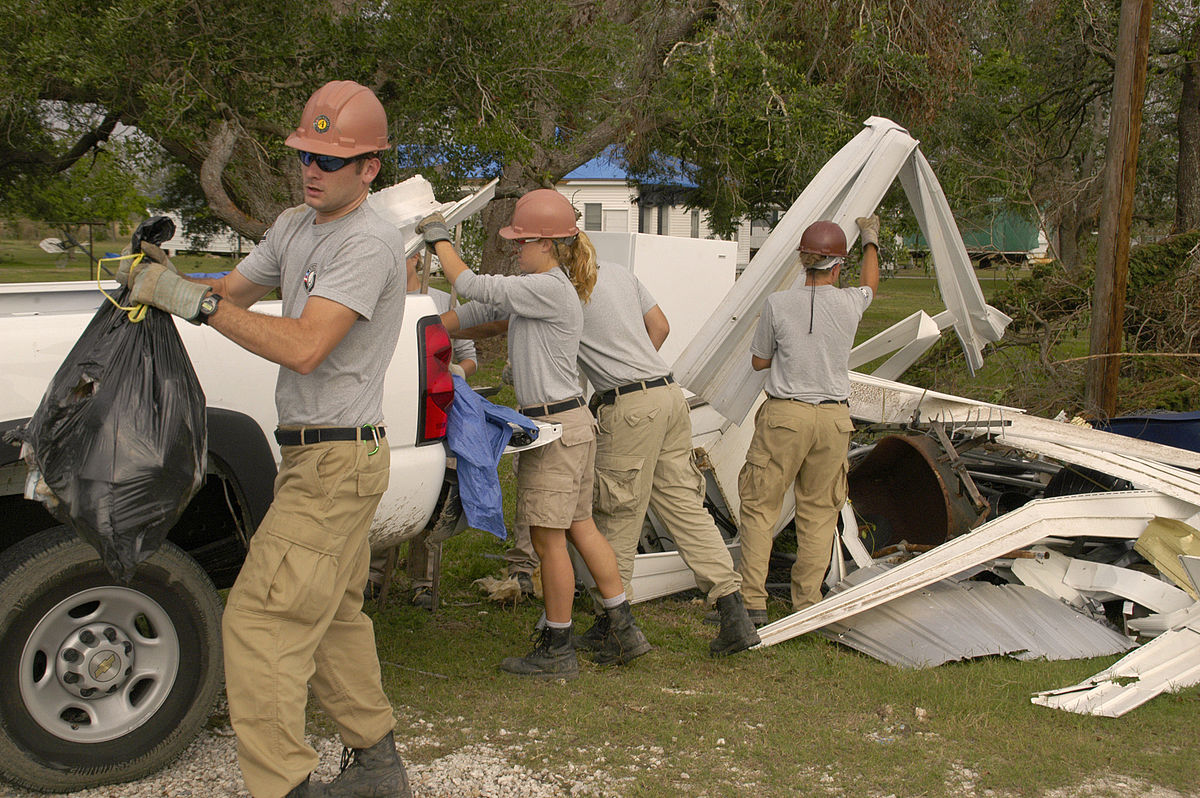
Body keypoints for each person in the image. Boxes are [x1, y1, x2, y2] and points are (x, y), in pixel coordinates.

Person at [120, 80, 411, 798]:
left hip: (339, 458)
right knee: (335, 616)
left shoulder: (370, 242)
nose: (312, 170)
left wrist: (195, 302)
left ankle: (284, 787)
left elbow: (307, 345)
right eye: (305, 154)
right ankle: (376, 767)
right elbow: (234, 294)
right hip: (315, 454)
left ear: (369, 168)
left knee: (258, 621)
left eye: (330, 160)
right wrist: (166, 279)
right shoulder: (293, 225)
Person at [418, 189, 651, 679]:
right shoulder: (546, 285)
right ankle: (625, 630)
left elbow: (473, 285)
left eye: (520, 242)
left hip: (553, 430)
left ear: (546, 243)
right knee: (580, 528)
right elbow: (484, 313)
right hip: (572, 424)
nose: (515, 250)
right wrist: (425, 325)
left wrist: (439, 238)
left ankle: (557, 647)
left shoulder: (546, 287)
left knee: (549, 541)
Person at [575, 261, 761, 656]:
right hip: (668, 392)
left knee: (618, 512)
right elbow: (660, 327)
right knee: (686, 508)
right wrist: (638, 366)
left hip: (629, 405)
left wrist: (623, 376)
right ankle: (734, 614)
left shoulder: (560, 282)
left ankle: (613, 625)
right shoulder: (617, 272)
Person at [736, 216, 880, 624]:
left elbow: (760, 361)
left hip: (786, 417)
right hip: (834, 421)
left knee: (761, 507)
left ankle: (752, 602)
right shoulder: (852, 301)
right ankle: (806, 604)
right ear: (837, 266)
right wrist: (871, 239)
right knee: (818, 512)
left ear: (803, 261)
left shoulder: (778, 304)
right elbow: (871, 284)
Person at [367, 253, 477, 608]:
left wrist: (454, 372)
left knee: (428, 489)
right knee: (386, 485)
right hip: (390, 406)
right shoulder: (378, 297)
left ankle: (423, 580)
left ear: (416, 257)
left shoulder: (442, 302)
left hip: (433, 407)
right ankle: (373, 574)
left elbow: (470, 357)